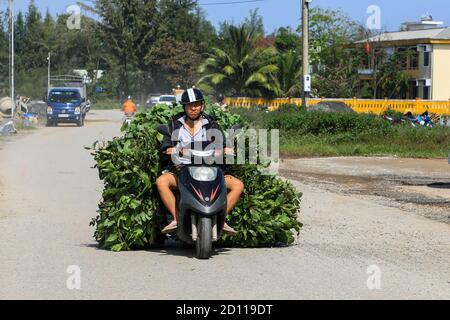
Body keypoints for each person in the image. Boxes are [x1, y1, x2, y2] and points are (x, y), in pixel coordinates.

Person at [156, 88, 243, 236]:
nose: (193, 108)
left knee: (238, 185)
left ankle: (222, 218)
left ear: (202, 105)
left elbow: (222, 144)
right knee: (161, 182)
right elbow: (166, 145)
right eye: (189, 105)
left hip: (210, 168)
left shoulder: (211, 124)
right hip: (181, 169)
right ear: (184, 107)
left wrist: (226, 149)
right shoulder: (175, 123)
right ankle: (176, 218)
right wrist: (171, 149)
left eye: (196, 104)